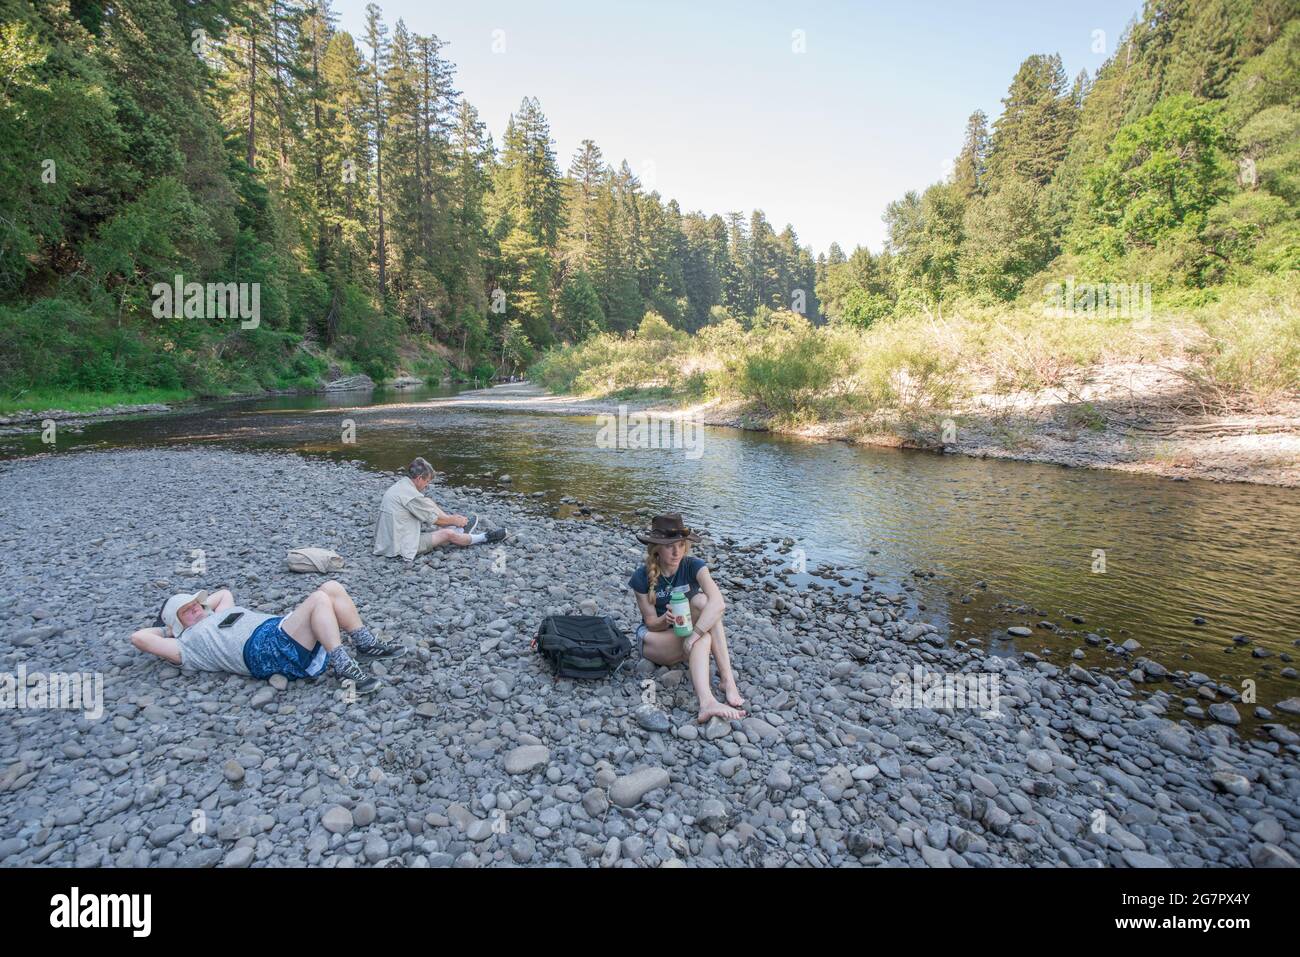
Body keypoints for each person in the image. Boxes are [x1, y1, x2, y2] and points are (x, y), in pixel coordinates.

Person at [130, 581, 401, 694]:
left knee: (330, 587)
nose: (196, 609)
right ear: (176, 624)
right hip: (263, 653)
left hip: (278, 631)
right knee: (319, 598)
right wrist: (171, 628)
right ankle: (343, 665)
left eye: (196, 605)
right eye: (187, 612)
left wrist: (200, 609)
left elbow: (223, 592)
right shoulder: (185, 644)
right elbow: (140, 638)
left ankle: (365, 644)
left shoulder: (215, 613)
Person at [629, 513, 746, 723]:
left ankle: (726, 682)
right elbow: (650, 623)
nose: (676, 551)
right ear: (656, 548)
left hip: (685, 634)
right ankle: (708, 701)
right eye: (669, 545)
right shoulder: (641, 576)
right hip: (654, 639)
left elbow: (718, 603)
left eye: (681, 544)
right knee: (704, 637)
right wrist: (666, 619)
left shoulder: (693, 565)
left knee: (704, 602)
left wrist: (693, 636)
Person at [374, 457, 505, 561]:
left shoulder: (402, 485)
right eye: (427, 482)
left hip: (386, 541)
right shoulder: (411, 497)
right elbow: (434, 520)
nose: (427, 486)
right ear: (419, 478)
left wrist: (450, 519)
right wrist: (453, 520)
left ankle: (458, 528)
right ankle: (484, 537)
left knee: (428, 501)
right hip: (400, 546)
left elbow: (426, 506)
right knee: (447, 534)